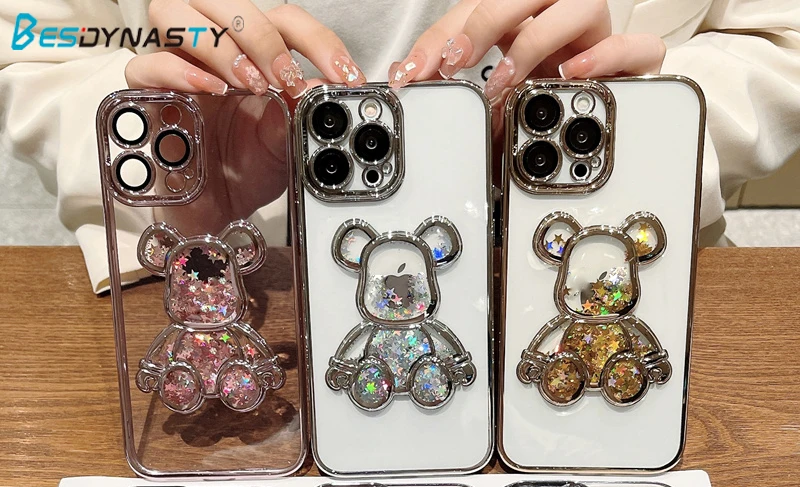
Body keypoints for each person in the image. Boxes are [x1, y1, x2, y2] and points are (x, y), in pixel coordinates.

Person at [1, 0, 799, 289]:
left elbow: (779, 43)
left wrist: (646, 122)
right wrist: (162, 145)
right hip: (229, 282)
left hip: (621, 274)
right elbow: (32, 50)